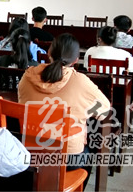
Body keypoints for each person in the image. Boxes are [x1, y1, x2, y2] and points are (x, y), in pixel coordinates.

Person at [18, 33, 111, 183]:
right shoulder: (81, 82)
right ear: (75, 60)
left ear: (49, 52)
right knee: (90, 150)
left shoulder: (27, 76)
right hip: (68, 158)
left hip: (31, 152)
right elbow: (105, 111)